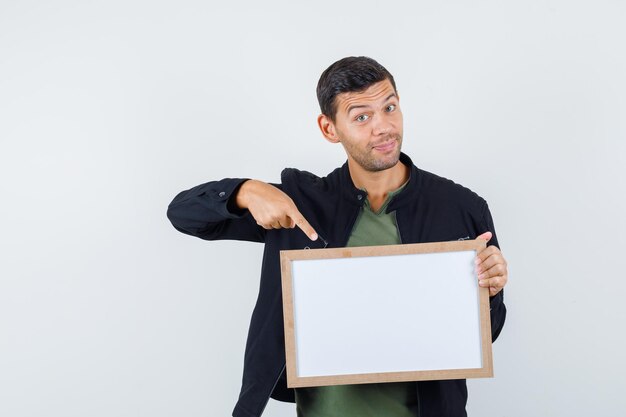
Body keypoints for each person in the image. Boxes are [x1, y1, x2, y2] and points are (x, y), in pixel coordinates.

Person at [167, 56, 508, 417]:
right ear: (330, 129)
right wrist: (244, 191)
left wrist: (491, 291)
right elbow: (184, 215)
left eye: (389, 107)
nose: (384, 127)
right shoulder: (300, 206)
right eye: (362, 116)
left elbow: (488, 334)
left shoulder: (461, 206)